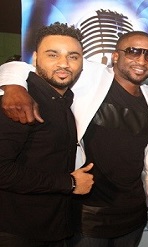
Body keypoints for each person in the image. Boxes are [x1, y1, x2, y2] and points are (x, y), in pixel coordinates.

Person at [0, 30, 148, 247]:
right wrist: (13, 86)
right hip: (88, 212)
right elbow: (22, 67)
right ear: (116, 56)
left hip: (132, 212)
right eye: (133, 51)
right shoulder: (90, 76)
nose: (142, 60)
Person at [0, 22, 94, 246]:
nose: (64, 63)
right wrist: (69, 183)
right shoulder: (20, 102)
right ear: (34, 59)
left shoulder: (65, 100)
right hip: (18, 231)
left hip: (54, 227)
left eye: (73, 56)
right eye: (53, 55)